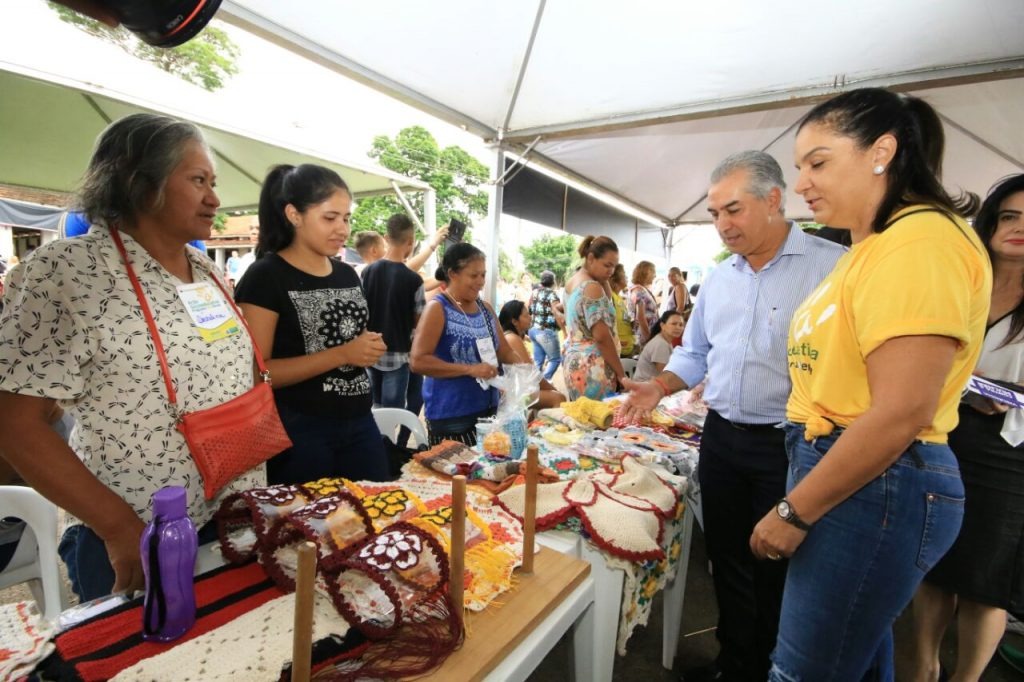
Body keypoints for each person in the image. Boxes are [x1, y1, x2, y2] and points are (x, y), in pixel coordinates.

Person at [743, 88, 989, 681]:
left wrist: (794, 511)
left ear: (882, 152)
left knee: (804, 672)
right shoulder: (870, 246)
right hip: (854, 470)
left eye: (818, 162)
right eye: (801, 166)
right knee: (850, 658)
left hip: (878, 477)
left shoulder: (920, 243)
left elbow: (902, 410)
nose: (801, 182)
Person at [0, 114, 267, 602]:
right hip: (138, 533)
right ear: (139, 183)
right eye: (198, 180)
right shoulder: (67, 271)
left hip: (231, 515)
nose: (214, 198)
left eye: (214, 182)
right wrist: (118, 527)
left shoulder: (204, 267)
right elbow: (17, 423)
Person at [623, 150, 845, 682]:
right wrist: (658, 384)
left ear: (774, 200)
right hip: (721, 438)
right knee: (727, 557)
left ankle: (773, 666)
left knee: (780, 563)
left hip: (791, 441)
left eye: (734, 210)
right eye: (716, 213)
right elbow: (695, 352)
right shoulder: (721, 278)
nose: (723, 224)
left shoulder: (833, 267)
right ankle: (733, 661)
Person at [912, 174, 1024, 682]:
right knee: (934, 565)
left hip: (1008, 453)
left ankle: (967, 677)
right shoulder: (961, 279)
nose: (1019, 228)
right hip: (939, 434)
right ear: (992, 220)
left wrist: (1009, 400)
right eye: (1010, 216)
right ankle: (923, 667)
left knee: (985, 579)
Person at [235, 164, 389, 485]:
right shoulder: (266, 276)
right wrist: (344, 354)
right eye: (330, 218)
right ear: (294, 215)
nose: (343, 229)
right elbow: (258, 373)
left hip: (360, 419)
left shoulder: (347, 273)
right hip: (299, 429)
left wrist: (366, 349)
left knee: (372, 519)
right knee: (307, 528)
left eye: (346, 218)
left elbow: (351, 340)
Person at [410, 243, 519, 445]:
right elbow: (418, 361)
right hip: (452, 417)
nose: (480, 282)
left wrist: (526, 369)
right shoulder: (438, 308)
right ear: (453, 274)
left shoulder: (485, 309)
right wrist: (469, 369)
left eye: (483, 275)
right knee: (459, 475)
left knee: (486, 471)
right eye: (473, 275)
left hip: (488, 412)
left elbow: (504, 351)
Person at [361, 214, 426, 444]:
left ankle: (376, 448)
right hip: (398, 355)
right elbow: (419, 321)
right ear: (410, 242)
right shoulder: (413, 280)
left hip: (370, 353)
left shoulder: (367, 272)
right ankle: (391, 452)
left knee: (375, 409)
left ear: (387, 238)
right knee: (393, 413)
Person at [562, 236, 627, 401]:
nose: (611, 271)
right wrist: (622, 375)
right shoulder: (592, 287)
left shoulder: (574, 281)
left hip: (576, 364)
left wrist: (603, 280)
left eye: (614, 266)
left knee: (584, 419)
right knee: (599, 421)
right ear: (591, 258)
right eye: (607, 265)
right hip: (593, 367)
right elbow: (602, 337)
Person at [499, 300, 567, 409]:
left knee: (551, 395)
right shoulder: (512, 338)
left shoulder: (511, 336)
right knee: (558, 397)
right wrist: (552, 389)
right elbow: (532, 375)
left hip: (517, 390)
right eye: (526, 315)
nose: (530, 317)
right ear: (515, 321)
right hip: (514, 394)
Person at [527, 270, 564, 381]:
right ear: (553, 282)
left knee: (538, 361)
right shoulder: (552, 294)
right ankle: (544, 382)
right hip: (546, 330)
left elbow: (528, 307)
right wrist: (565, 331)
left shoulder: (534, 292)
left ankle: (535, 386)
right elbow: (556, 313)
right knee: (555, 359)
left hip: (533, 330)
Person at [633, 310, 684, 382]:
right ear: (662, 326)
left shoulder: (665, 341)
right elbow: (665, 375)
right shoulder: (660, 344)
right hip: (645, 386)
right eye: (674, 324)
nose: (678, 327)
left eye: (681, 325)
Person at [627, 260, 659, 346]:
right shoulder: (639, 290)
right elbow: (640, 317)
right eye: (653, 272)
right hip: (644, 335)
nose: (655, 275)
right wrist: (649, 337)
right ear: (646, 272)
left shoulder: (641, 289)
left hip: (646, 333)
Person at [609, 264, 636, 357]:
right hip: (618, 350)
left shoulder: (618, 297)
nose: (627, 277)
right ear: (614, 278)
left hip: (627, 347)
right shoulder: (610, 297)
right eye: (624, 273)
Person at [234, 218, 259, 285]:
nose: (254, 232)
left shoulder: (276, 259)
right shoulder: (246, 259)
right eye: (251, 228)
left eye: (258, 228)